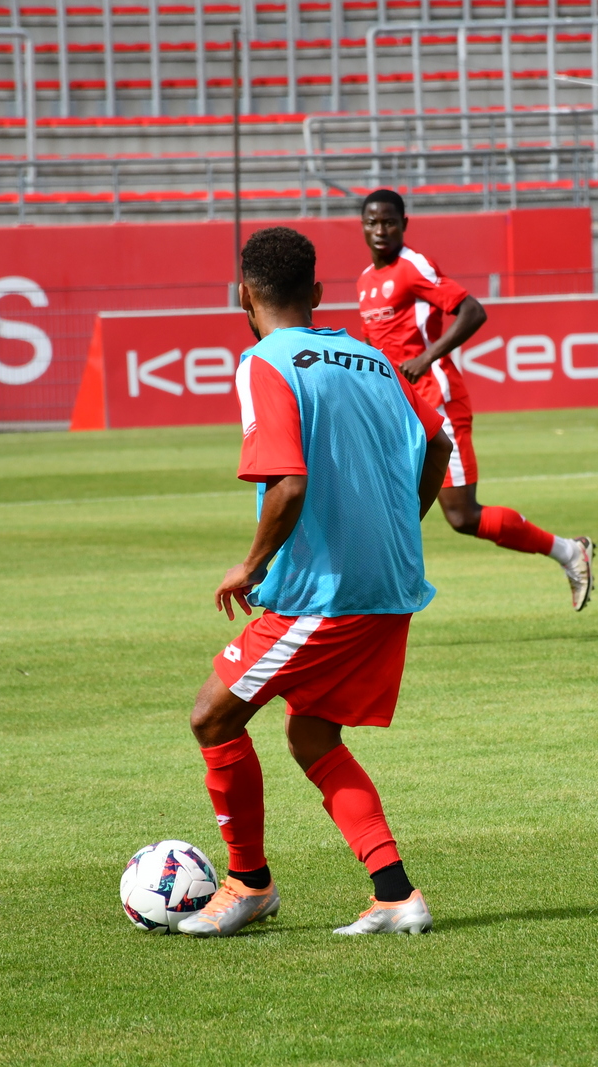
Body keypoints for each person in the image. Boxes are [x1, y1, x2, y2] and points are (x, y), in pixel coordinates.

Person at [178, 226, 454, 938]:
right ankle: (395, 894)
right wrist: (398, 526)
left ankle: (249, 882)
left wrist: (251, 564)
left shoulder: (263, 362)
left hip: (325, 594)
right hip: (390, 584)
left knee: (212, 715)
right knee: (310, 733)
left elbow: (289, 484)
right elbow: (438, 443)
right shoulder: (374, 358)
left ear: (243, 295)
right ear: (320, 292)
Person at [356, 188, 597, 611]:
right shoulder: (364, 281)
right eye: (372, 222)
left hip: (437, 401)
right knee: (388, 505)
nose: (380, 230)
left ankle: (569, 552)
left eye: (389, 221)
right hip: (397, 411)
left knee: (462, 515)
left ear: (404, 224)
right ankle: (376, 597)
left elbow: (473, 310)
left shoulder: (413, 267)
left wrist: (425, 358)